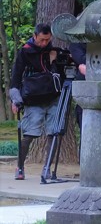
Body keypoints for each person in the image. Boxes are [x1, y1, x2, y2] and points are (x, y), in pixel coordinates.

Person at [8, 23, 67, 181]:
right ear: (34, 36)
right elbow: (15, 78)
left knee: (52, 133)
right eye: (41, 40)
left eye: (47, 40)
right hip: (33, 100)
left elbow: (59, 75)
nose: (44, 43)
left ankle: (47, 168)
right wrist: (15, 100)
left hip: (53, 98)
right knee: (29, 134)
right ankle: (20, 167)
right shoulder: (25, 51)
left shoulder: (53, 51)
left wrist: (53, 60)